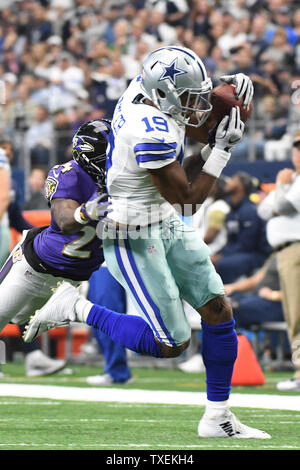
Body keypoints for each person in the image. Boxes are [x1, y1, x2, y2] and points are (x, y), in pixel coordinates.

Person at [24, 46, 270, 439]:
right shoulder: (147, 128)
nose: (199, 106)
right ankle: (74, 306)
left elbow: (187, 126)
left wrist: (225, 91)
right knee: (172, 342)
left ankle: (218, 416)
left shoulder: (146, 86)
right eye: (192, 99)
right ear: (165, 97)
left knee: (218, 309)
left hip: (162, 217)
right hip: (132, 232)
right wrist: (221, 149)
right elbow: (188, 198)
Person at [0, 119, 111, 376]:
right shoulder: (68, 173)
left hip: (69, 282)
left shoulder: (123, 179)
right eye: (111, 150)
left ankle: (35, 359)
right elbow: (64, 220)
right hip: (35, 267)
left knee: (25, 322)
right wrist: (86, 211)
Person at [258, 131, 300, 392]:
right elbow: (264, 210)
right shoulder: (292, 180)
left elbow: (283, 207)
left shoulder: (289, 181)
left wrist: (280, 186)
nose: (297, 154)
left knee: (297, 314)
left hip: (295, 250)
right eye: (296, 149)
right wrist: (281, 191)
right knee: (292, 313)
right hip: (284, 253)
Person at [213, 172, 271, 284]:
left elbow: (247, 244)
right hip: (238, 252)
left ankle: (229, 294)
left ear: (241, 186)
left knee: (223, 264)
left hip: (255, 255)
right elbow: (230, 240)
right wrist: (218, 254)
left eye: (234, 179)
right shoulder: (232, 211)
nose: (229, 182)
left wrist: (222, 256)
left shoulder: (249, 210)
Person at [86, 265, 132, 385]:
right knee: (100, 313)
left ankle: (117, 371)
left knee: (107, 312)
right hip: (97, 261)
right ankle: (115, 369)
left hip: (109, 261)